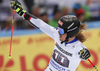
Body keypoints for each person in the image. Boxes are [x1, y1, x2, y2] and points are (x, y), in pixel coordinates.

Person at [10, 1, 91, 71]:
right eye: (58, 28)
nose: (58, 32)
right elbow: (40, 24)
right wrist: (21, 11)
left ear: (70, 33)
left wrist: (85, 54)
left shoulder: (78, 47)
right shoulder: (57, 34)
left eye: (61, 30)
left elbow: (84, 53)